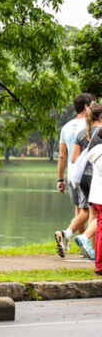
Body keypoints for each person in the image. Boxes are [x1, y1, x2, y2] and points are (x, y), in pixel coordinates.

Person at [54, 93, 95, 257]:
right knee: (89, 212)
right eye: (92, 104)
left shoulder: (66, 127)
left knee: (79, 212)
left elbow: (62, 156)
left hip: (72, 175)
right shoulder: (90, 125)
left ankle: (84, 250)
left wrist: (60, 179)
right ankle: (67, 235)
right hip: (86, 174)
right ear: (86, 107)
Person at [70, 103, 101, 261]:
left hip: (82, 177)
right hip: (96, 176)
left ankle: (90, 249)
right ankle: (89, 244)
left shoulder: (82, 133)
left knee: (92, 212)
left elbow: (73, 158)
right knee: (99, 215)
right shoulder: (100, 132)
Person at [78, 103, 102, 275]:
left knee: (99, 226)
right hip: (99, 193)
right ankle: (99, 265)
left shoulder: (94, 148)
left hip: (95, 192)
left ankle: (98, 263)